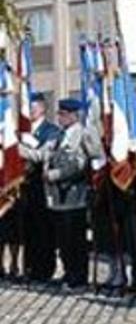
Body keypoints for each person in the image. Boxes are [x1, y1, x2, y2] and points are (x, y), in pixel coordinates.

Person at [20, 98, 100, 291]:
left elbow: (82, 163)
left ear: (73, 115)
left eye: (63, 114)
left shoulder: (82, 134)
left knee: (75, 240)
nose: (60, 117)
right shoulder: (57, 136)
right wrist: (16, 147)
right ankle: (68, 273)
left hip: (74, 194)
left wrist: (55, 175)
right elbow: (40, 155)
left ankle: (78, 277)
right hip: (56, 197)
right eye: (59, 114)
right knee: (63, 240)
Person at [18, 92, 61, 283]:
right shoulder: (21, 130)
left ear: (43, 108)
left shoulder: (50, 130)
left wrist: (21, 148)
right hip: (23, 186)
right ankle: (30, 267)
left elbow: (44, 155)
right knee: (27, 229)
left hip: (41, 185)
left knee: (43, 228)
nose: (31, 112)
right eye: (29, 108)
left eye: (34, 108)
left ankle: (44, 269)